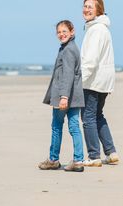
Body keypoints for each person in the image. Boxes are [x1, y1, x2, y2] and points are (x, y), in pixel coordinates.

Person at [38, 20, 85, 172]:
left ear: (72, 31)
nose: (61, 34)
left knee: (58, 127)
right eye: (59, 32)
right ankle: (78, 160)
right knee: (73, 127)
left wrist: (64, 97)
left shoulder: (68, 50)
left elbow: (68, 75)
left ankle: (54, 159)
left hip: (65, 97)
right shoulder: (68, 48)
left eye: (64, 31)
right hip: (75, 96)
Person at [81, 0, 119, 167]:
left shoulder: (97, 30)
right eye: (85, 6)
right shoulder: (101, 28)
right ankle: (111, 153)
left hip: (94, 81)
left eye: (91, 6)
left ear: (99, 10)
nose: (86, 9)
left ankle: (94, 156)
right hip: (104, 81)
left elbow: (91, 60)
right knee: (97, 115)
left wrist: (80, 79)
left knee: (88, 116)